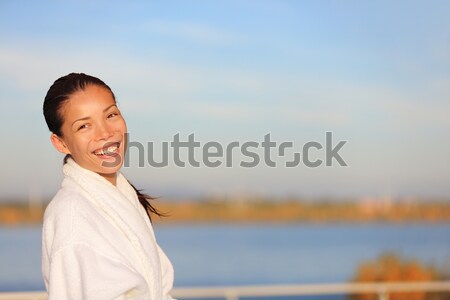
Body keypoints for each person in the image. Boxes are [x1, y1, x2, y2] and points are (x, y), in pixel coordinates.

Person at [41, 73, 175, 300]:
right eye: (84, 126)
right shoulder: (72, 216)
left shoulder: (121, 196)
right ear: (61, 142)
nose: (105, 133)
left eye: (111, 114)